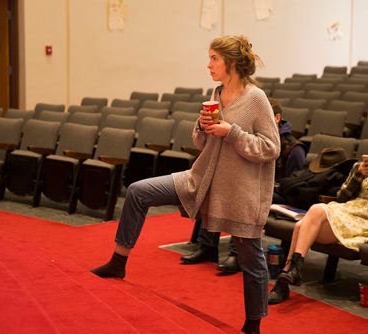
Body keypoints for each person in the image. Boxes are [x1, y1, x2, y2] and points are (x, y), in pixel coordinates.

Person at [90, 35, 280, 334]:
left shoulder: (256, 98)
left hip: (238, 190)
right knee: (139, 192)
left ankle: (253, 324)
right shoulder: (216, 92)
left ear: (230, 62)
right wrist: (202, 126)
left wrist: (232, 132)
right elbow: (201, 141)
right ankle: (117, 261)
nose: (208, 64)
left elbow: (271, 148)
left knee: (250, 256)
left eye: (214, 58)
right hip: (201, 177)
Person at [180, 98, 306, 275]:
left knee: (242, 194)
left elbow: (295, 184)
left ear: (276, 118)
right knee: (216, 187)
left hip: (279, 193)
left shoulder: (293, 148)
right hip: (253, 184)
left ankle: (236, 253)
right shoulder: (252, 137)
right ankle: (208, 245)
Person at [268, 158, 368, 304]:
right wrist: (358, 176)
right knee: (303, 223)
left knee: (302, 224)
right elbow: (342, 198)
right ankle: (291, 272)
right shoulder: (359, 166)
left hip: (363, 219)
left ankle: (284, 281)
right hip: (348, 210)